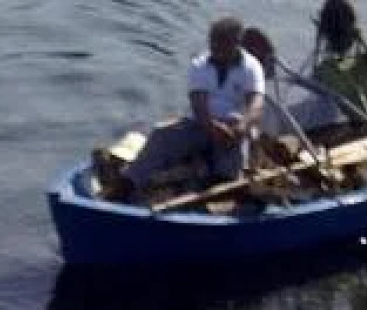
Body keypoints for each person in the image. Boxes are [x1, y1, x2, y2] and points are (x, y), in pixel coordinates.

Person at [111, 17, 265, 201]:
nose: (216, 50)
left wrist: (242, 126)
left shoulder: (252, 67)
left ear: (236, 44)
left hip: (234, 129)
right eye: (213, 44)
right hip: (200, 123)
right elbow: (198, 103)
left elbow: (256, 104)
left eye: (222, 46)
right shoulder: (200, 64)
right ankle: (126, 185)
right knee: (161, 137)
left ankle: (217, 190)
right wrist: (211, 125)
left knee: (228, 172)